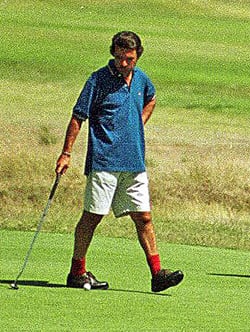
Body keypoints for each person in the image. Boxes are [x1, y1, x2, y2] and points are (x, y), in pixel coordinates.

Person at [55, 31, 184, 292]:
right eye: (119, 58)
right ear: (113, 54)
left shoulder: (142, 80)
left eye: (129, 59)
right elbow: (78, 117)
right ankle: (77, 272)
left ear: (138, 56)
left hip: (134, 162)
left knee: (144, 217)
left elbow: (152, 98)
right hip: (104, 160)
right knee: (93, 217)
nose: (123, 63)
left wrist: (139, 123)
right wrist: (66, 153)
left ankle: (157, 274)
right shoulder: (97, 80)